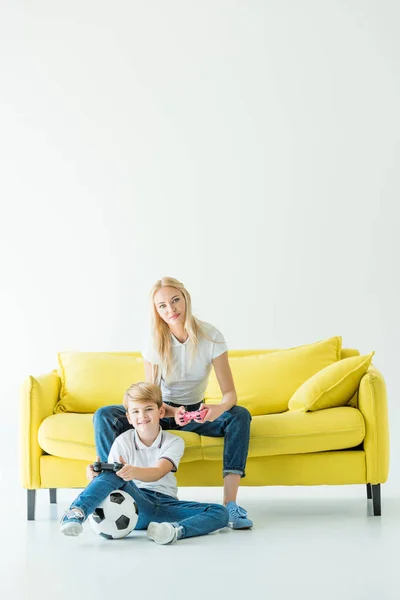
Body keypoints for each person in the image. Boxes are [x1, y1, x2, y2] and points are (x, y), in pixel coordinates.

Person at [94, 277, 253, 529]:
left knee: (239, 415)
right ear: (156, 311)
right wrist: (168, 411)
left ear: (185, 298)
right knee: (106, 415)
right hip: (161, 410)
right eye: (163, 306)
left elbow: (230, 395)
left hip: (197, 413)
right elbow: (150, 395)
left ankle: (230, 504)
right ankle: (107, 489)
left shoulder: (211, 336)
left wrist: (218, 409)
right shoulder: (155, 340)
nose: (171, 310)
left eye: (175, 301)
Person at [60, 382, 229, 544]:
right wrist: (96, 476)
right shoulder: (122, 441)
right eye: (135, 412)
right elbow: (110, 480)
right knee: (111, 473)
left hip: (166, 505)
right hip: (136, 502)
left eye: (148, 409)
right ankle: (76, 512)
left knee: (220, 512)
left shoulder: (174, 442)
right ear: (129, 418)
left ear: (161, 412)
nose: (142, 416)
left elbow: (159, 471)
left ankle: (173, 530)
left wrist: (133, 472)